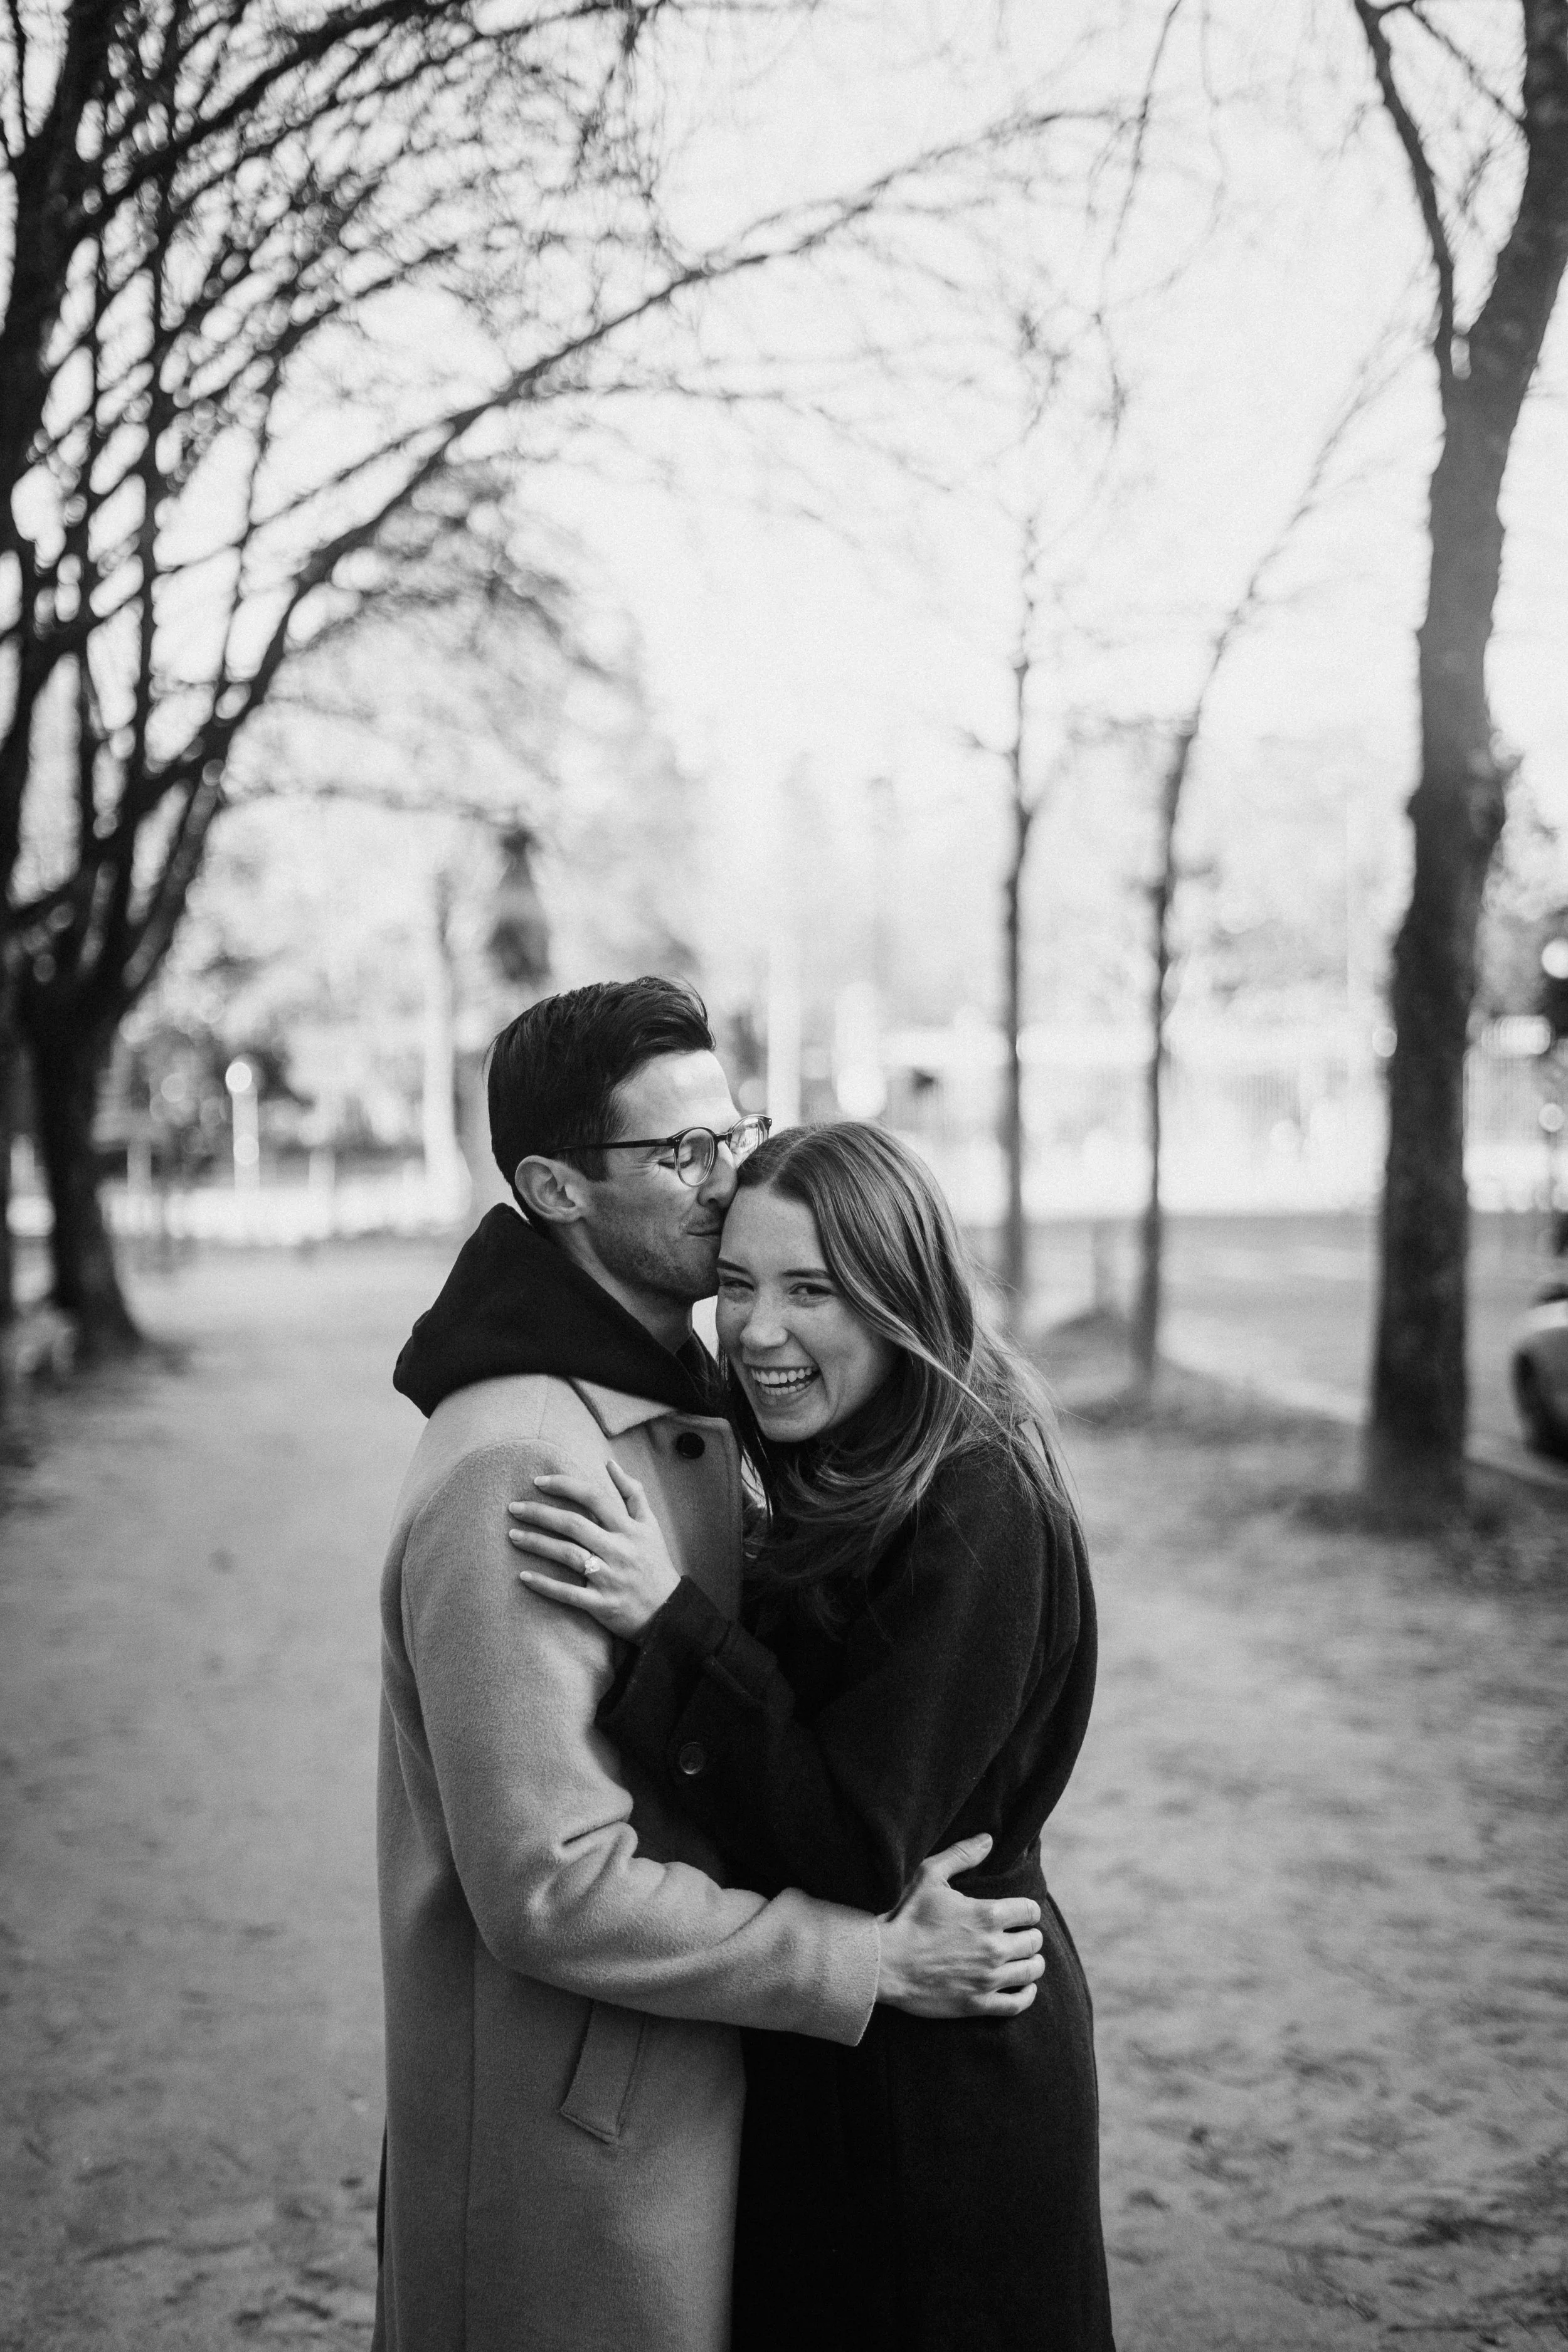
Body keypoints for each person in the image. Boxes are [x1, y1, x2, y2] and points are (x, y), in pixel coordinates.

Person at [374, 980, 1047, 2352]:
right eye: (680, 1151)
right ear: (554, 1189)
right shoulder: (526, 1462)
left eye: (729, 1133)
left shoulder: (673, 1402)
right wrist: (861, 1960)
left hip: (673, 2095)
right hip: (576, 2135)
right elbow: (551, 1885)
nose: (726, 1177)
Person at [510, 1119, 1116, 2351]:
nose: (758, 1330)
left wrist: (667, 1622)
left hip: (941, 2086)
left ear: (900, 1297)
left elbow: (852, 1840)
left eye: (811, 1290)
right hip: (841, 2044)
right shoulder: (844, 1460)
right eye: (736, 1285)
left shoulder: (974, 1497)